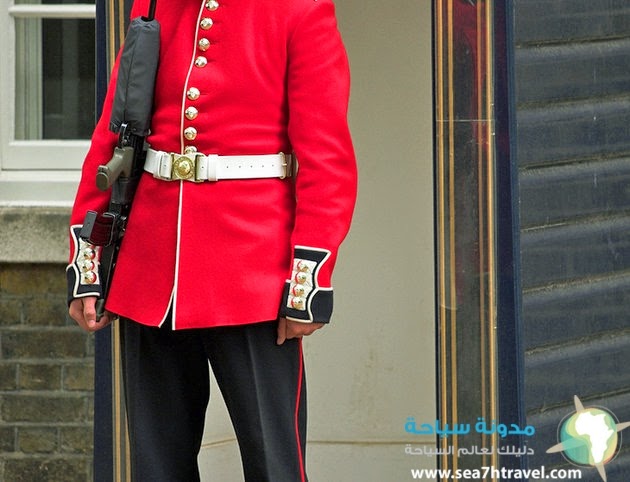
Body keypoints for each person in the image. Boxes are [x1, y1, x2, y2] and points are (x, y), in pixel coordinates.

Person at [66, 0, 357, 480]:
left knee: (273, 464)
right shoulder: (156, 5)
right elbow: (112, 136)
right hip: (152, 267)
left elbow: (327, 160)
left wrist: (307, 278)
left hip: (253, 273)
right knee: (156, 466)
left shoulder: (299, 10)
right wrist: (88, 257)